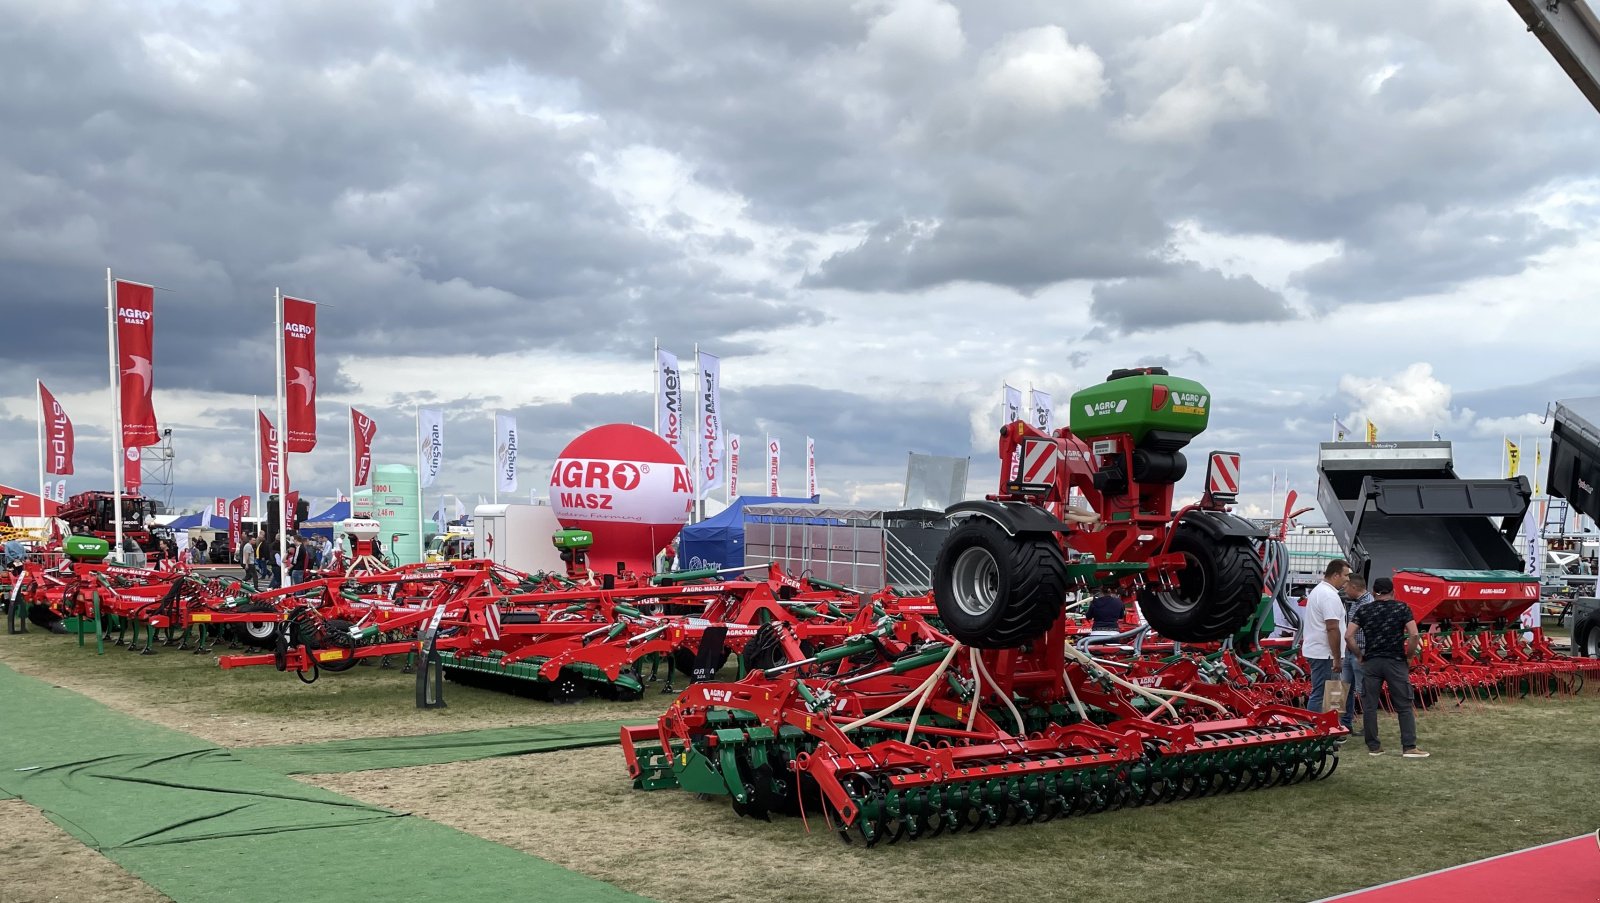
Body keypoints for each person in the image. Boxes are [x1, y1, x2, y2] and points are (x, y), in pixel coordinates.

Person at [1345, 577, 1429, 758]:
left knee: (1369, 705)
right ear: (1393, 592)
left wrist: (1360, 655)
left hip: (1372, 662)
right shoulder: (1401, 608)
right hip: (1395, 661)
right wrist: (1410, 656)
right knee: (1404, 705)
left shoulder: (1364, 610)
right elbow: (1414, 634)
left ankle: (1374, 747)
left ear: (1374, 592)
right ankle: (1409, 747)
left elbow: (1348, 635)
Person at [1301, 558, 1350, 713]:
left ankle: (1332, 729)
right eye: (1346, 575)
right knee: (1323, 694)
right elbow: (1332, 628)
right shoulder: (1329, 596)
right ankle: (1315, 730)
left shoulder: (1320, 591)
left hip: (1322, 652)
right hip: (1325, 655)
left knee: (1334, 691)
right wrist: (1336, 657)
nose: (1347, 579)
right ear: (1336, 575)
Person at [1339, 574, 1374, 733]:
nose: (1344, 590)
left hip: (1360, 651)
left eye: (1346, 587)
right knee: (1344, 689)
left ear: (1354, 587)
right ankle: (1345, 724)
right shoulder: (1357, 602)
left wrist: (1360, 655)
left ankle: (1369, 727)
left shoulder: (1368, 604)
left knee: (1363, 691)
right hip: (1351, 651)